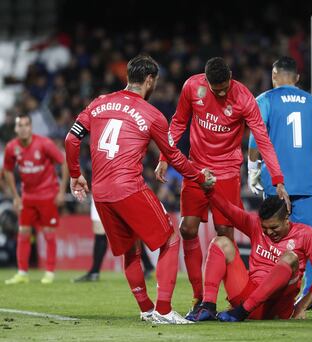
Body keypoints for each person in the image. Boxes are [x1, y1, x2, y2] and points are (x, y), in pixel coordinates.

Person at [64, 55, 215, 324]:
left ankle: (146, 308)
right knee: (170, 239)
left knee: (130, 250)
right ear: (149, 80)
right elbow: (175, 156)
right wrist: (199, 177)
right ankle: (165, 310)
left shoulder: (99, 103)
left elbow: (71, 139)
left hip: (101, 192)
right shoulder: (152, 115)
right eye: (155, 80)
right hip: (129, 187)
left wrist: (76, 174)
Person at [155, 57, 290, 317]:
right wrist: (164, 158)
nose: (220, 93)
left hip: (227, 171)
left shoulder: (244, 98)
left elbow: (262, 139)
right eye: (216, 89)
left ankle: (231, 298)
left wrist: (278, 179)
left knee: (224, 233)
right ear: (206, 80)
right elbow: (178, 123)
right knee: (187, 228)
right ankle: (198, 297)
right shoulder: (192, 87)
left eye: (224, 87)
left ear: (231, 76)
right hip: (196, 169)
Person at [247, 56, 312, 307]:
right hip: (307, 182)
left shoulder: (264, 100)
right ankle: (310, 295)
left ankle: (276, 290)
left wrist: (253, 168)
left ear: (274, 76)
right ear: (297, 78)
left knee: (274, 238)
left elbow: (256, 138)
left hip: (276, 182)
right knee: (310, 242)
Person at [188, 182, 312, 321]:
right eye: (265, 228)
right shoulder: (255, 225)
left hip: (275, 307)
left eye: (274, 227)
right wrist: (209, 190)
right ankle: (208, 306)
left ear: (286, 218)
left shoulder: (305, 234)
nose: (269, 232)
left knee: (290, 258)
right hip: (247, 296)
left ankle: (242, 311)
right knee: (221, 242)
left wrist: (302, 305)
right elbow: (228, 209)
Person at [3, 113, 68, 284]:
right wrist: (16, 196)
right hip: (27, 196)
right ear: (16, 128)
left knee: (48, 233)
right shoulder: (11, 147)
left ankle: (50, 272)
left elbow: (64, 162)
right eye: (20, 125)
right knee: (23, 232)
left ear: (31, 127)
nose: (23, 129)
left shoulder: (44, 144)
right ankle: (22, 273)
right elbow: (7, 170)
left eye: (26, 125)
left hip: (47, 195)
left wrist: (61, 192)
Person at [72, 198, 154, 282]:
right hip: (99, 192)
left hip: (118, 191)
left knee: (128, 229)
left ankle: (148, 266)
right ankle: (94, 271)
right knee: (100, 231)